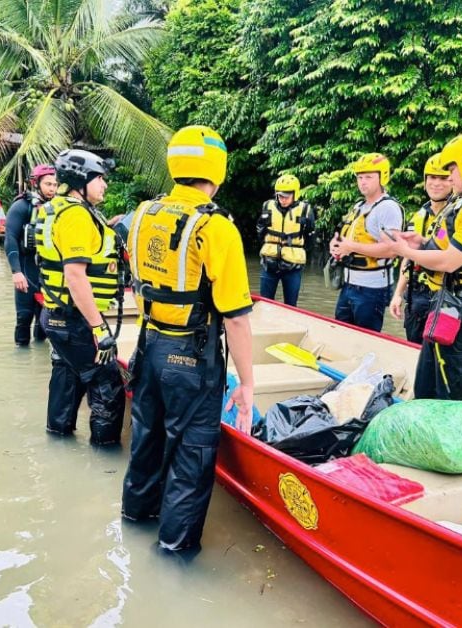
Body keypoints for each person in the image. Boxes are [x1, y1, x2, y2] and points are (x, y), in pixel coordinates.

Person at [121, 125, 255, 553]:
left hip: (149, 346)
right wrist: (248, 385)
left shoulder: (142, 213)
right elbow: (235, 318)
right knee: (191, 457)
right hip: (192, 357)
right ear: (218, 167)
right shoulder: (216, 227)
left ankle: (135, 516)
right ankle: (174, 554)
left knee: (146, 437)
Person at [388, 131, 462, 401]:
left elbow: (449, 261)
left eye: (452, 170)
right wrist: (421, 241)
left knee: (459, 387)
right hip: (449, 303)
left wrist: (406, 251)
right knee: (429, 382)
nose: (450, 178)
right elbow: (450, 247)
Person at [35, 149, 126, 443]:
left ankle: (58, 437)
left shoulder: (58, 208)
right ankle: (105, 452)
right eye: (99, 178)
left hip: (57, 314)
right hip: (75, 320)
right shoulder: (76, 216)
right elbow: (75, 276)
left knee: (67, 373)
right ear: (80, 181)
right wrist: (99, 327)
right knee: (106, 381)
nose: (105, 185)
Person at [331, 152, 405, 332]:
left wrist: (352, 247)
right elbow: (348, 239)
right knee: (341, 333)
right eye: (360, 177)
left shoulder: (388, 208)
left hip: (371, 290)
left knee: (365, 340)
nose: (363, 182)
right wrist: (336, 245)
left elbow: (393, 250)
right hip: (349, 285)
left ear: (382, 178)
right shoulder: (359, 206)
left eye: (369, 177)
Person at [389, 154, 452, 343]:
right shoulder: (419, 216)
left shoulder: (457, 215)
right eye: (432, 177)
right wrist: (398, 294)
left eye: (443, 178)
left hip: (444, 294)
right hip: (416, 293)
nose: (436, 183)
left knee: (439, 353)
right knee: (414, 346)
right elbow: (408, 258)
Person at [4, 164, 58, 346]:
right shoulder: (21, 206)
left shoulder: (58, 208)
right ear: (36, 184)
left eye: (55, 185)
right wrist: (16, 272)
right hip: (26, 271)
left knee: (45, 320)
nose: (52, 189)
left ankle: (39, 356)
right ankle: (21, 355)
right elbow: (10, 238)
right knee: (24, 318)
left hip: (49, 274)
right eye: (48, 184)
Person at [257, 174, 315, 306]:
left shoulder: (305, 210)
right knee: (264, 303)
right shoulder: (268, 206)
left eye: (286, 196)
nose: (283, 199)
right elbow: (260, 230)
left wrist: (297, 251)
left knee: (290, 305)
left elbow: (310, 236)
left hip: (293, 265)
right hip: (269, 262)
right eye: (280, 196)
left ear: (295, 194)